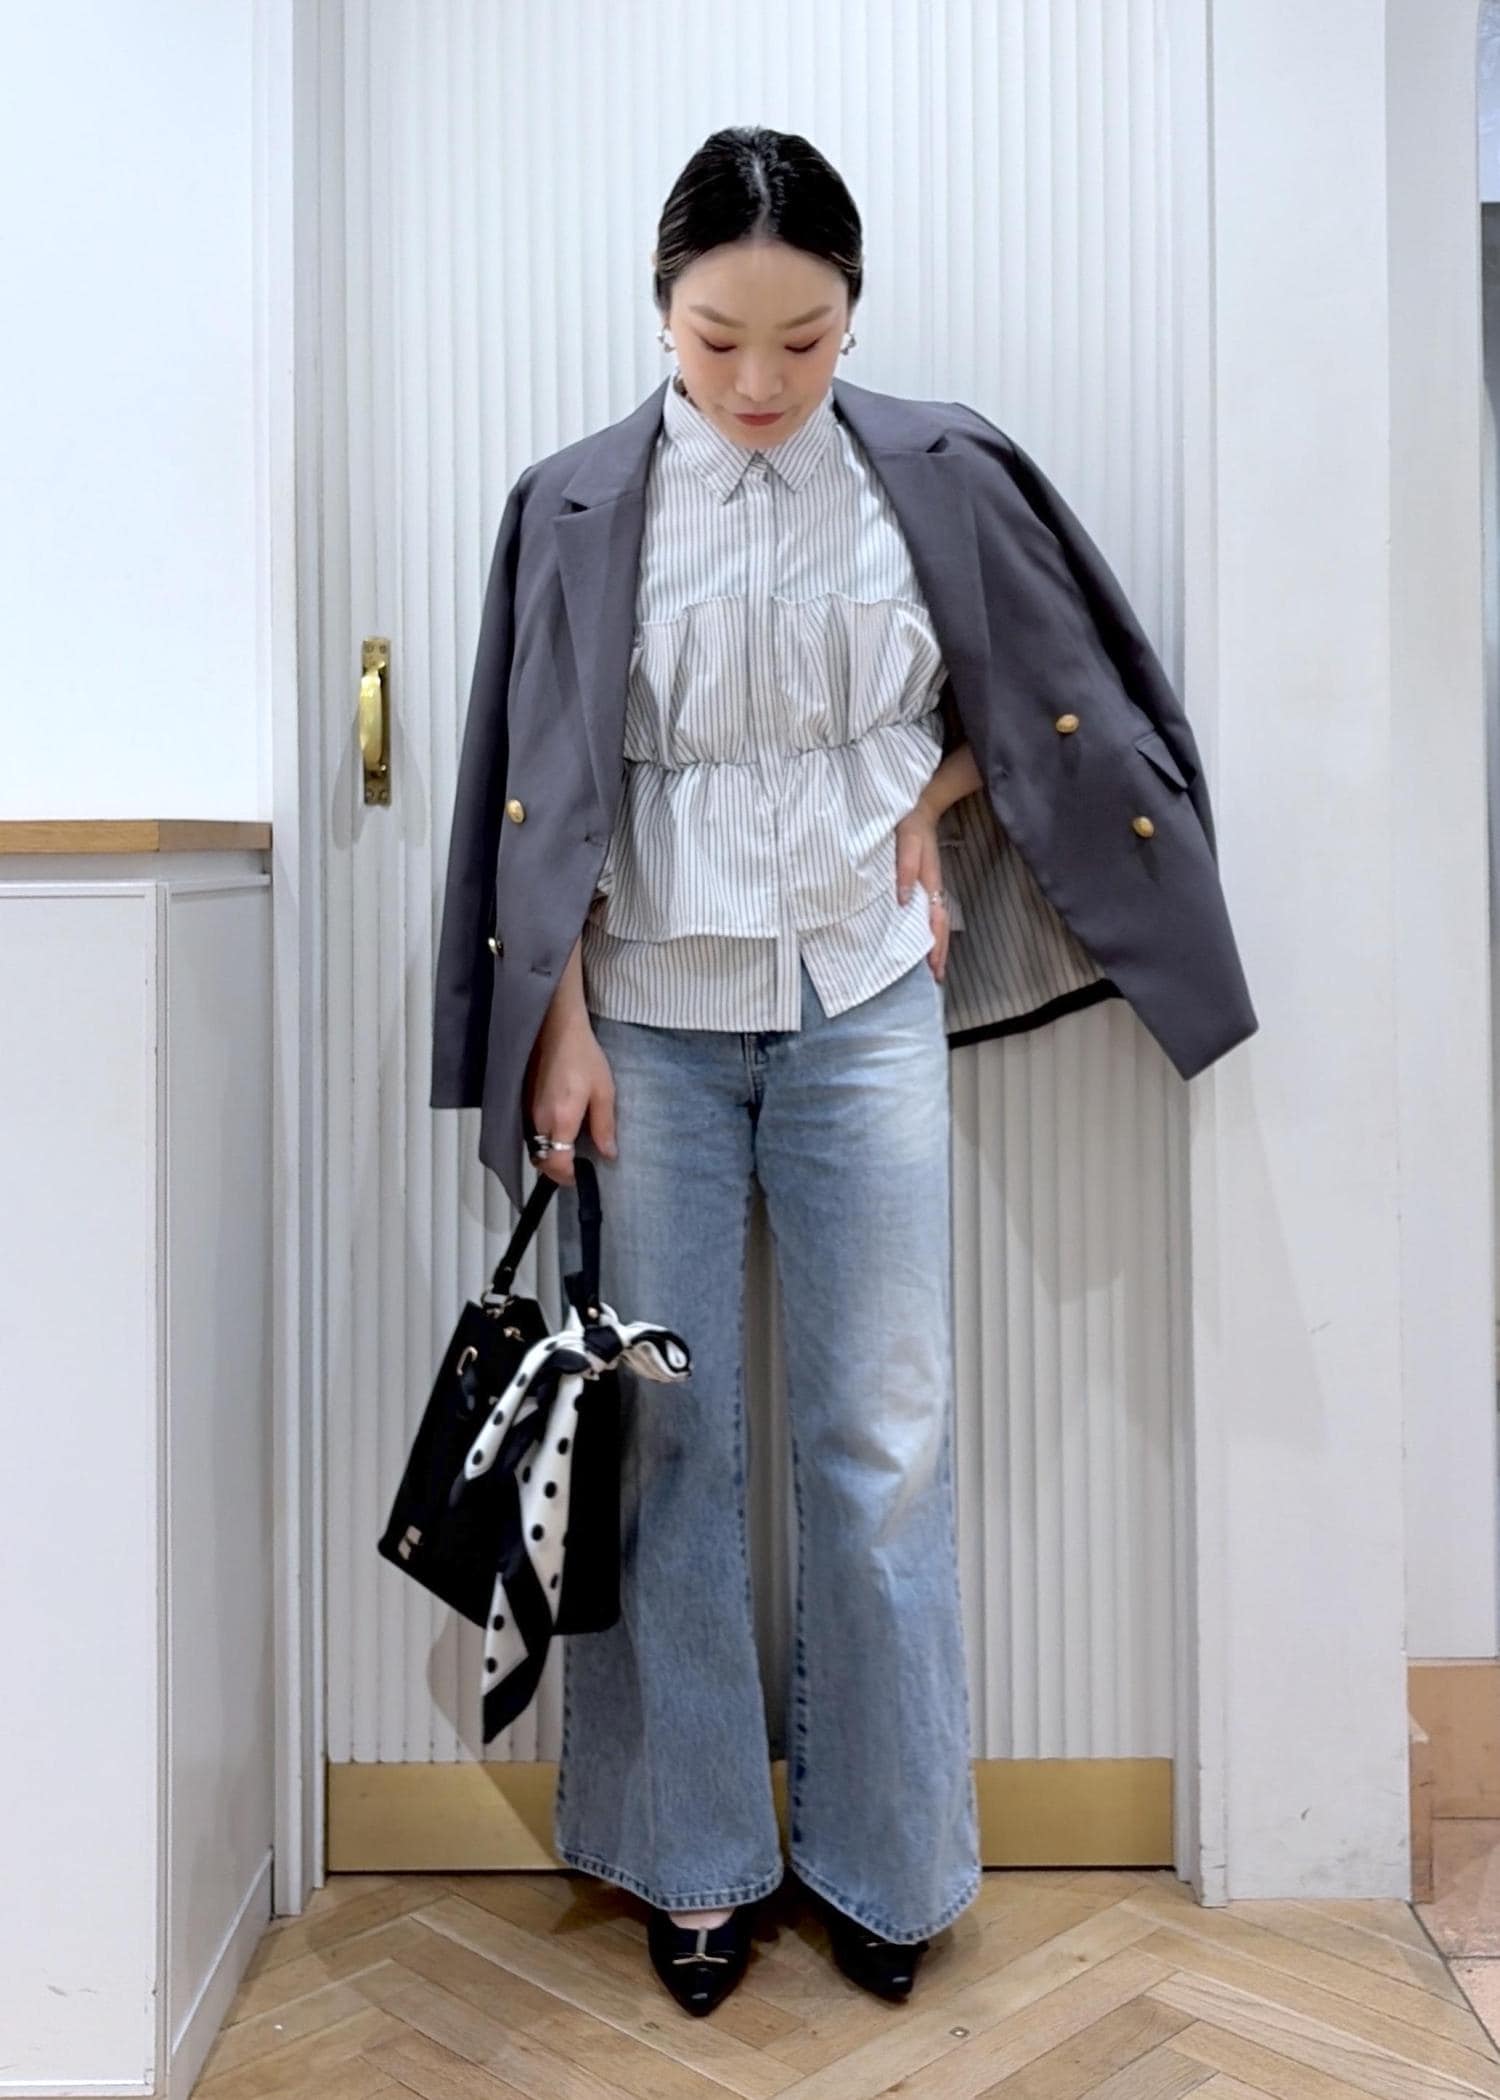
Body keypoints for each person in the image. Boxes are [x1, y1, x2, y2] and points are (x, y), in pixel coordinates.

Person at [536, 125, 980, 2017]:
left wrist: (938, 808)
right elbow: (538, 783)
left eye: (804, 339)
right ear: (663, 309)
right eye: (720, 338)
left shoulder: (931, 472)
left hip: (864, 992)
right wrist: (558, 1012)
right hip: (645, 1003)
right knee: (668, 1433)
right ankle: (693, 1853)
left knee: (884, 1439)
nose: (760, 381)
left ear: (853, 316)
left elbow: (1043, 685)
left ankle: (889, 1858)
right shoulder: (579, 500)